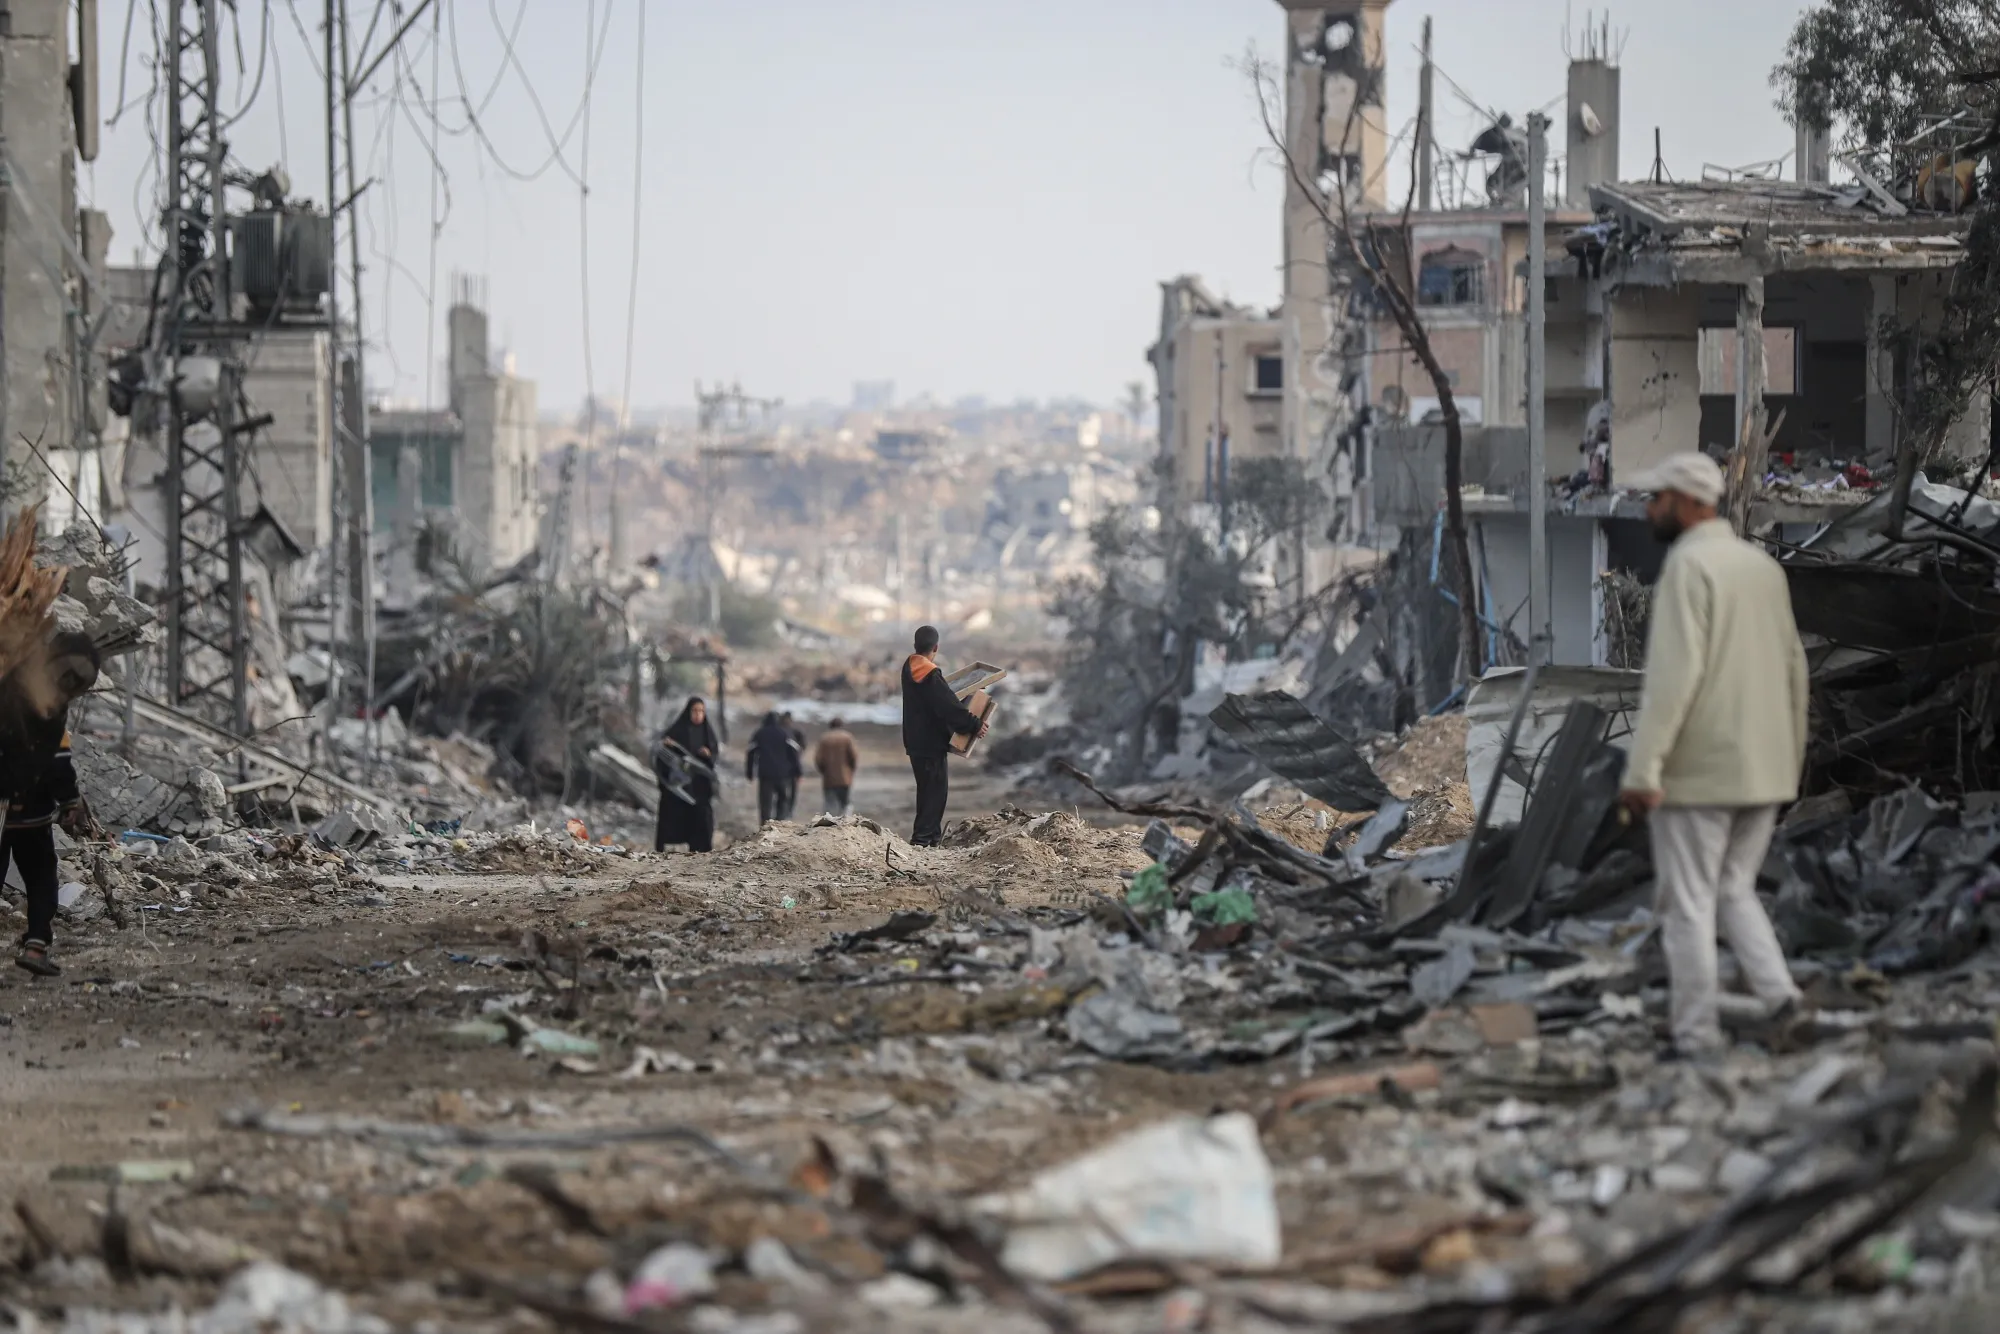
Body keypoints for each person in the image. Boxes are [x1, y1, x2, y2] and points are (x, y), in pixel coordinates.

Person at [1617, 452, 1807, 1059]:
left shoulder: (1687, 566)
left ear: (1689, 502)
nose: (1650, 510)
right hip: (1764, 772)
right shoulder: (1762, 568)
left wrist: (1644, 770)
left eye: (1657, 499)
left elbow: (1673, 681)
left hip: (1701, 773)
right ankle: (1782, 1000)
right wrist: (1789, 764)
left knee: (1690, 904)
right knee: (1734, 890)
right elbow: (1795, 671)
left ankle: (1696, 1037)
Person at [0, 632, 102, 976]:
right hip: (33, 814)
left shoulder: (12, 683)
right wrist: (70, 800)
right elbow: (58, 764)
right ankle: (36, 945)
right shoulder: (53, 710)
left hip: (3, 808)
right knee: (42, 878)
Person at [900, 624, 988, 847]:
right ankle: (922, 841)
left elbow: (940, 699)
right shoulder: (930, 673)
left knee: (927, 791)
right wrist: (974, 724)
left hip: (916, 741)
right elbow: (947, 706)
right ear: (936, 647)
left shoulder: (910, 666)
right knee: (934, 794)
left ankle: (930, 839)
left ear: (915, 645)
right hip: (930, 743)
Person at [652, 697, 721, 853]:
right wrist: (669, 746)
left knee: (702, 816)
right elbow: (663, 755)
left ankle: (702, 848)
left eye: (701, 711)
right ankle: (667, 848)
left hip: (700, 784)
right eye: (695, 711)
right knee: (675, 813)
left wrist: (708, 754)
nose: (698, 714)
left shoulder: (706, 732)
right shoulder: (677, 731)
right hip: (681, 785)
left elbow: (714, 755)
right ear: (688, 712)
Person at [747, 710, 801, 824]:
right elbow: (794, 752)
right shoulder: (785, 733)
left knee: (765, 802)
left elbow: (751, 752)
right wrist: (797, 771)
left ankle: (765, 825)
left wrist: (749, 772)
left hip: (765, 774)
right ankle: (780, 822)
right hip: (783, 773)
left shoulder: (760, 733)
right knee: (783, 799)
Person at [814, 716, 860, 818]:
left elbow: (818, 759)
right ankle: (845, 823)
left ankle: (828, 823)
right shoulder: (847, 737)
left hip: (829, 778)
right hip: (845, 778)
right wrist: (851, 771)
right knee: (846, 804)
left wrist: (824, 771)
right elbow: (853, 756)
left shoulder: (824, 738)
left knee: (829, 805)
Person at [781, 712, 807, 821]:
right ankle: (788, 812)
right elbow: (802, 746)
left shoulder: (786, 732)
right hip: (791, 766)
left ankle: (785, 812)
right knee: (791, 792)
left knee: (786, 792)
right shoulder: (795, 732)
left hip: (785, 767)